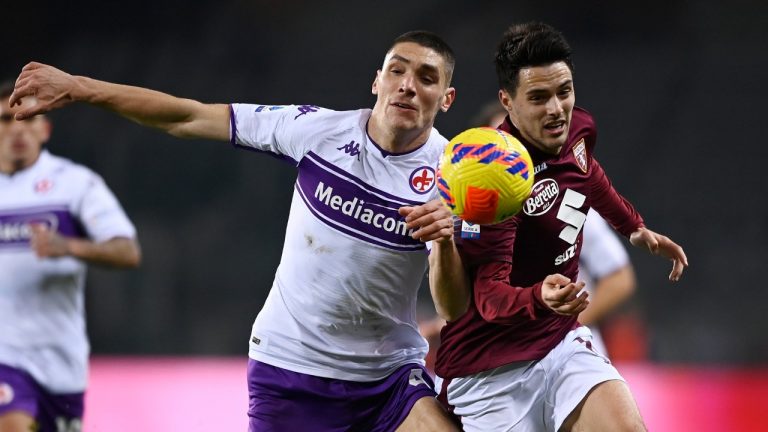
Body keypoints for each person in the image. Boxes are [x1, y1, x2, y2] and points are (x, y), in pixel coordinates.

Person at [10, 30, 468, 431]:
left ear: (446, 98)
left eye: (427, 78)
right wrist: (81, 88)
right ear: (377, 81)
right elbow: (186, 117)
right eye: (397, 71)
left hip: (388, 378)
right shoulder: (315, 132)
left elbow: (453, 307)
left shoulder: (454, 177)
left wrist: (444, 242)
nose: (408, 86)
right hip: (292, 370)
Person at [432, 22, 688, 431]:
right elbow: (488, 297)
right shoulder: (487, 179)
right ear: (507, 102)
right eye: (538, 97)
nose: (556, 109)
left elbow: (588, 173)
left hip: (559, 341)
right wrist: (539, 296)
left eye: (563, 92)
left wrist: (633, 226)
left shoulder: (578, 128)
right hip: (490, 369)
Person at [0, 81, 141, 432]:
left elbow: (128, 251)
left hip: (60, 362)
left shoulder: (75, 184)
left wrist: (69, 246)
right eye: (6, 119)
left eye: (28, 118)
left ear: (44, 129)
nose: (17, 128)